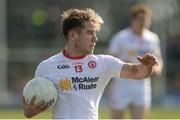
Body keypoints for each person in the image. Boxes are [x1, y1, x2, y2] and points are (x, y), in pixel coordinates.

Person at [22, 8, 158, 119]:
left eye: (95, 33)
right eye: (90, 33)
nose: (95, 38)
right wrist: (29, 112)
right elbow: (35, 104)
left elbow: (137, 72)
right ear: (73, 35)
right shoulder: (46, 67)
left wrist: (147, 66)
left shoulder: (104, 63)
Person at [107, 4, 163, 119]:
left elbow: (158, 59)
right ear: (133, 20)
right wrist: (124, 64)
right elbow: (109, 59)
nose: (143, 22)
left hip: (142, 85)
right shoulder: (120, 37)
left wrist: (156, 69)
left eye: (146, 19)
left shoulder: (152, 38)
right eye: (140, 19)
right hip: (122, 84)